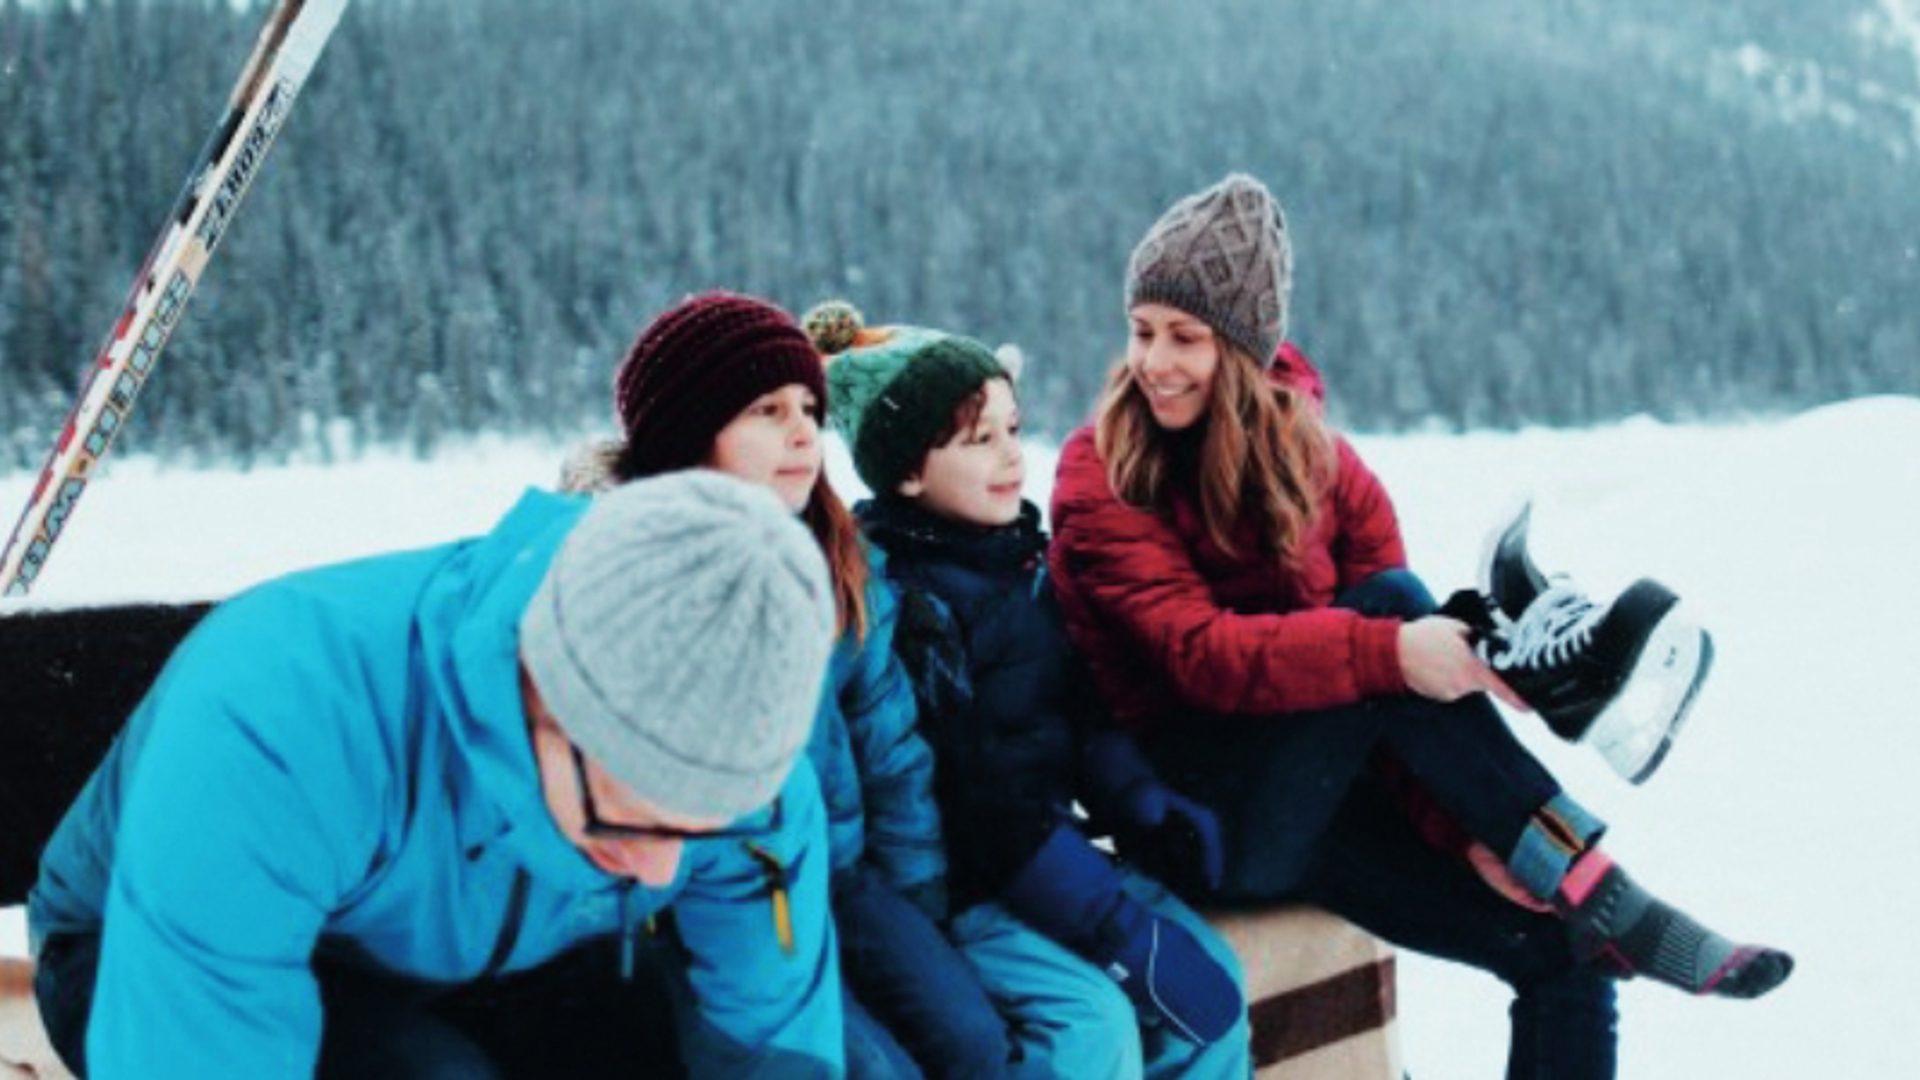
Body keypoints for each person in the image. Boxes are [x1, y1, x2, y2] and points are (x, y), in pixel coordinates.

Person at [1046, 173, 1794, 1079]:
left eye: (1185, 337)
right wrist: (1396, 648)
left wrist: (1463, 832)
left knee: (1566, 955)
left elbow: (1402, 710)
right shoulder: (1101, 471)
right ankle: (1569, 781)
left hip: (1327, 805)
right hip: (1201, 814)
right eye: (1143, 331)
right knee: (1396, 609)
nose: (1154, 361)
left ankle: (1567, 863)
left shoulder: (1327, 469)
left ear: (1246, 348)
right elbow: (1203, 658)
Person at [28, 469, 846, 1078]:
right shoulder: (281, 716)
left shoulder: (738, 773)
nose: (667, 868)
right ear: (541, 696)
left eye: (704, 826)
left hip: (477, 938)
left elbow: (773, 1040)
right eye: (632, 818)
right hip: (153, 953)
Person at [567, 291, 1011, 1079]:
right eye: (766, 411)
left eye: (808, 404)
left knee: (973, 1039)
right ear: (687, 435)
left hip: (840, 875)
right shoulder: (621, 577)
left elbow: (887, 745)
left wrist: (919, 904)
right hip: (710, 907)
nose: (804, 430)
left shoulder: (834, 557)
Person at [810, 299, 1251, 1079]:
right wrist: (1112, 925)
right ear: (908, 471)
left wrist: (1140, 797)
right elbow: (978, 797)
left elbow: (1077, 709)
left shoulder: (1020, 565)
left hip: (1054, 863)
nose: (1011, 456)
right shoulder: (911, 610)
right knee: (1092, 1029)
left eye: (1013, 429)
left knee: (1217, 987)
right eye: (981, 441)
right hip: (976, 889)